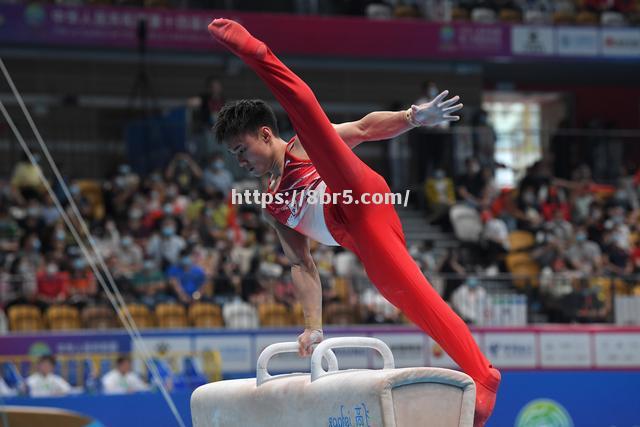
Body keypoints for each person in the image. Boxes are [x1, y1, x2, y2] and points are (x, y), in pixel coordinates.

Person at [207, 19, 500, 426]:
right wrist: (313, 328)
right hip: (360, 235)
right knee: (411, 296)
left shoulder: (297, 146)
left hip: (360, 197)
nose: (240, 162)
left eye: (242, 149)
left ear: (265, 134)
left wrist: (413, 117)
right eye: (234, 156)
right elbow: (301, 264)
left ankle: (258, 54)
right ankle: (483, 375)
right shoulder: (271, 206)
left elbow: (363, 128)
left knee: (312, 126)